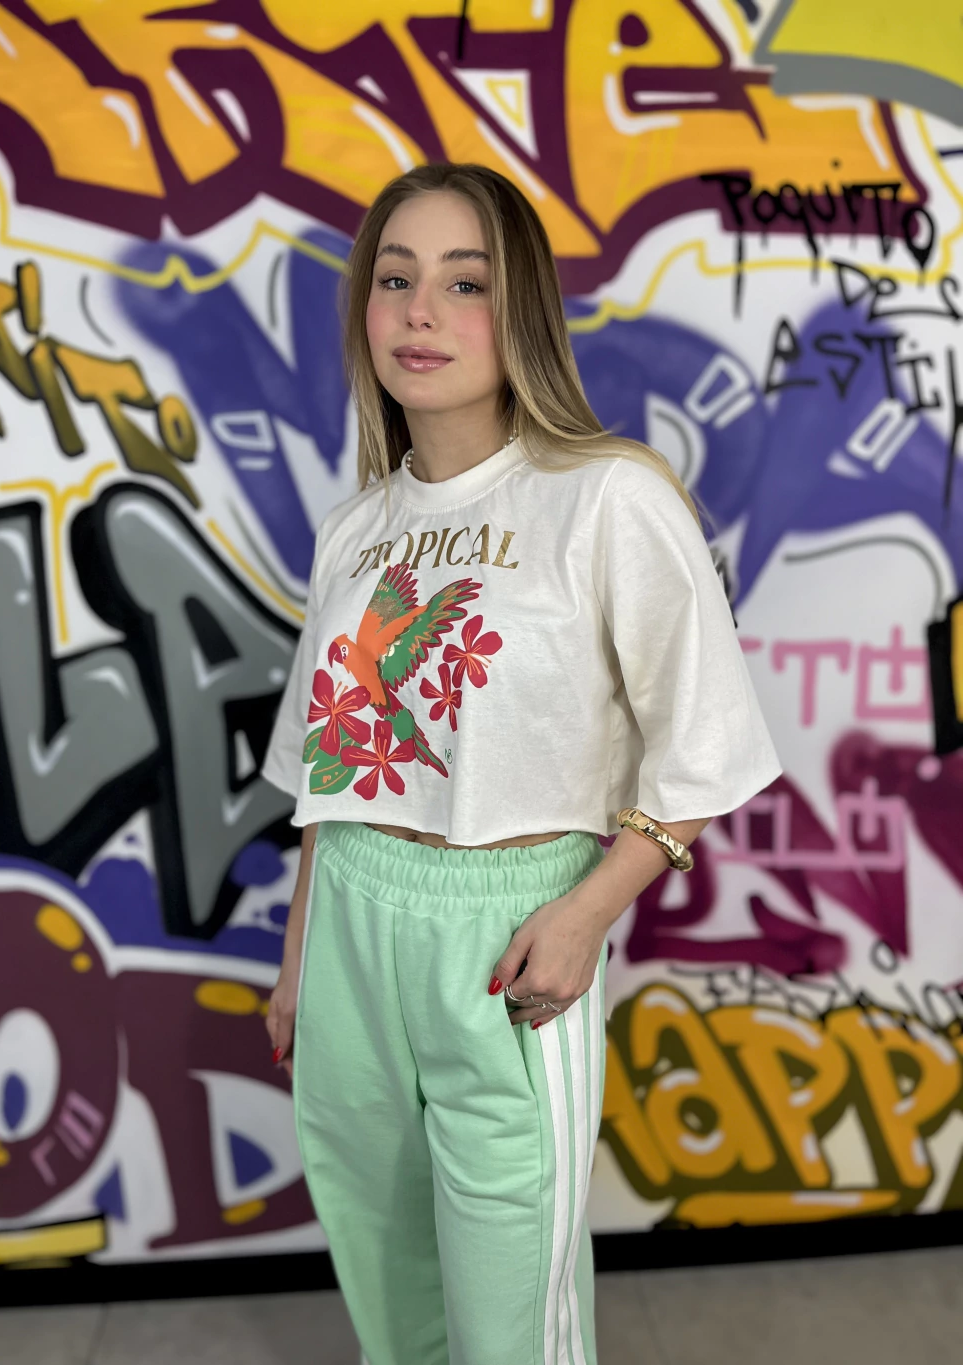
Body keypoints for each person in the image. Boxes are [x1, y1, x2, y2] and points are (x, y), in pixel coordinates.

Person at [261, 162, 781, 1365]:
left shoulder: (607, 496)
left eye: (465, 282)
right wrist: (300, 960)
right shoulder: (356, 529)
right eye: (394, 279)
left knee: (510, 1328)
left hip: (508, 933)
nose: (420, 312)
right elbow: (332, 774)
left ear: (524, 308)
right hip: (349, 926)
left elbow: (705, 744)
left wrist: (588, 911)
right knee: (392, 1301)